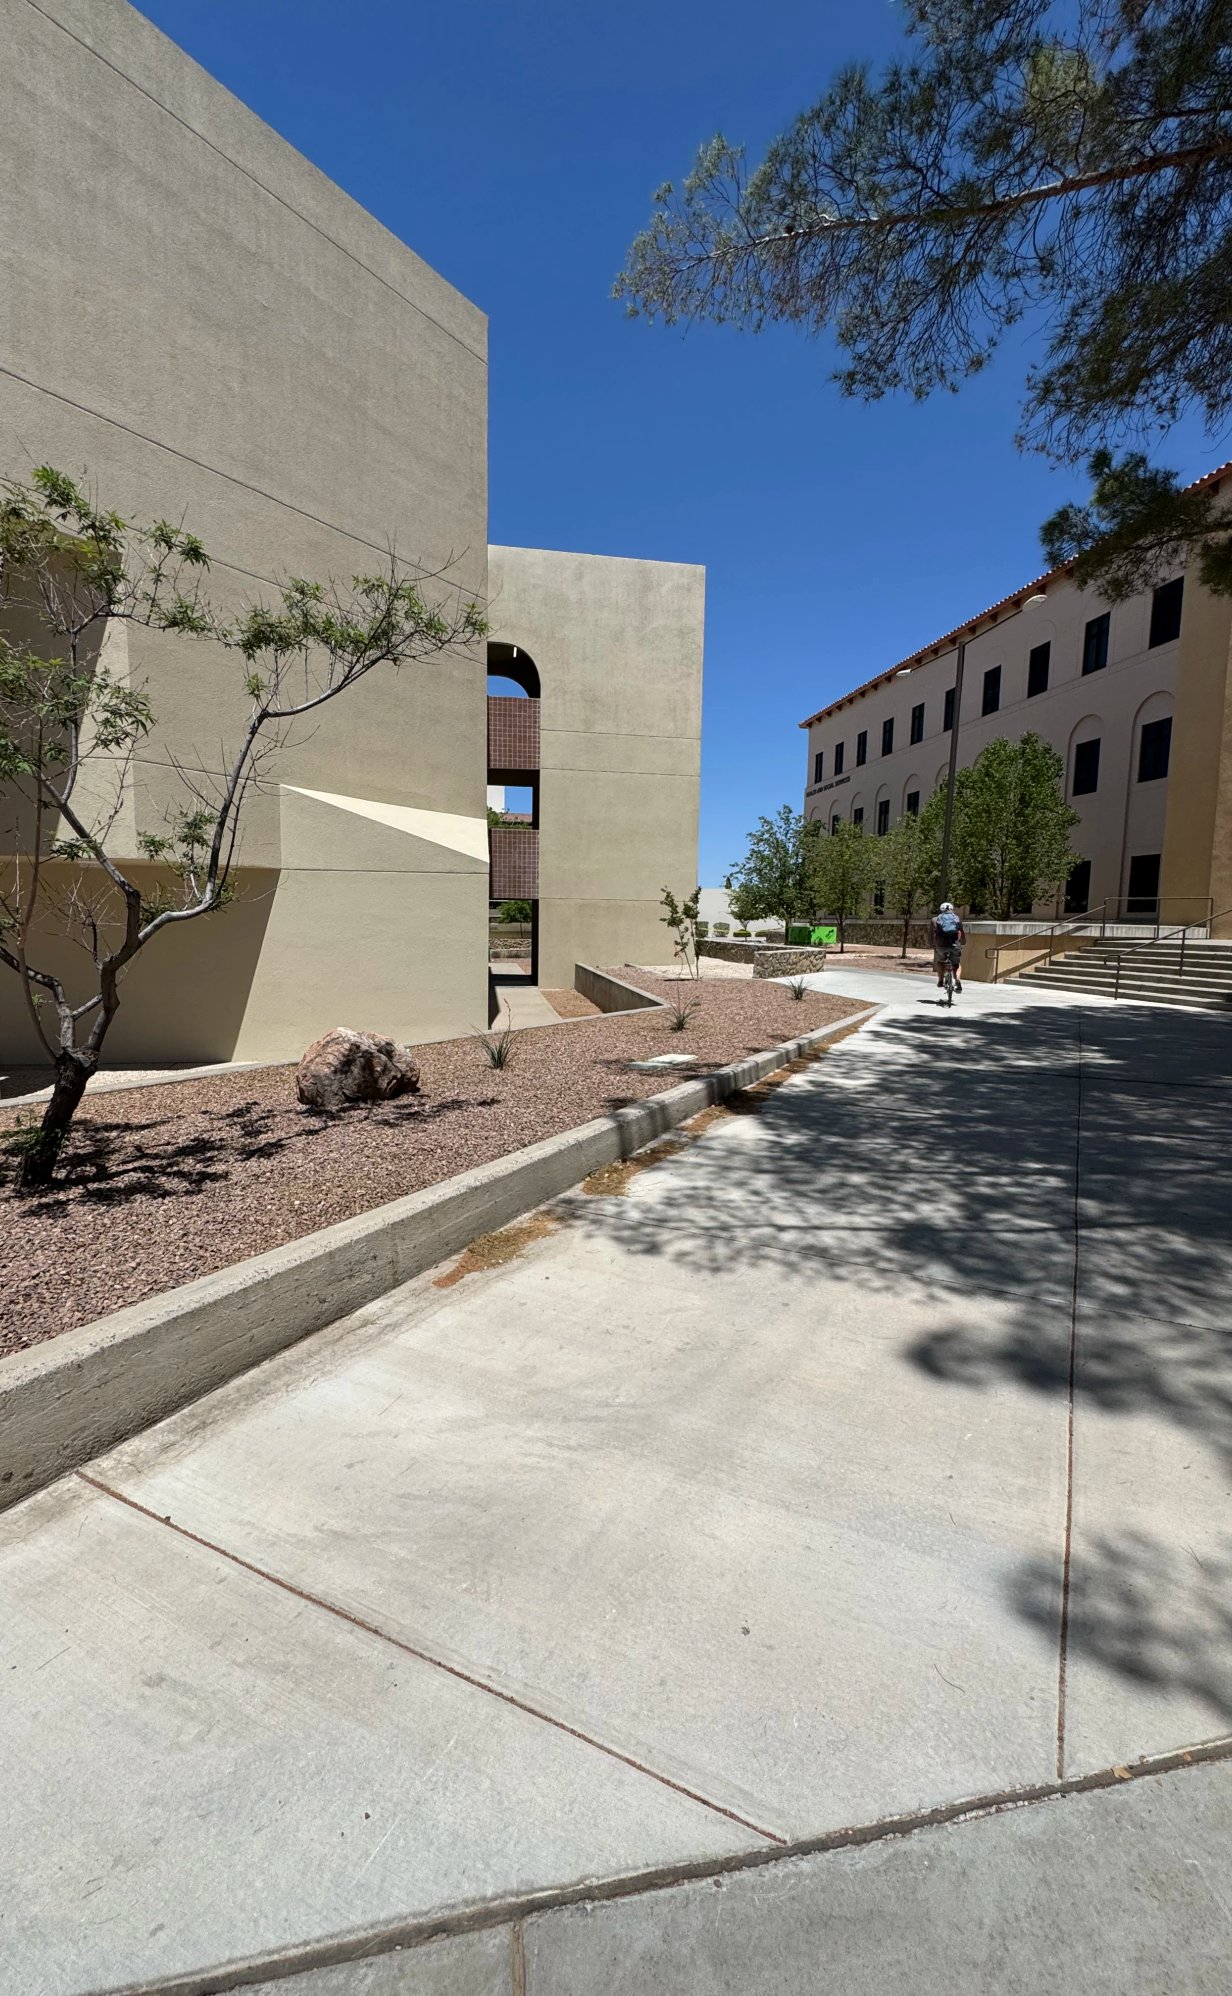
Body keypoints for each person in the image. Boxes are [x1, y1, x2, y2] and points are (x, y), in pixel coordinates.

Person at [931, 901, 965, 992]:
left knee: (940, 962)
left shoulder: (935, 919)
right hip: (955, 944)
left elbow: (933, 933)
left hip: (941, 945)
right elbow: (961, 932)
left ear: (941, 909)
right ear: (952, 909)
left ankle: (940, 980)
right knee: (956, 964)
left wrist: (932, 944)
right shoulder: (957, 919)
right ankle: (957, 979)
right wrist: (963, 942)